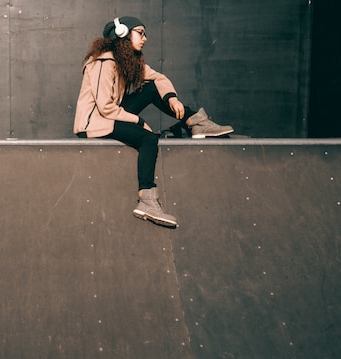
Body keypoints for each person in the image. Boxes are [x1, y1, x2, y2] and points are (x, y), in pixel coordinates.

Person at [73, 16, 234, 227]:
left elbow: (159, 78)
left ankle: (194, 121)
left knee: (150, 88)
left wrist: (171, 98)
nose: (145, 38)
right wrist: (139, 122)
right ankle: (146, 200)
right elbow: (105, 107)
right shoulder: (104, 62)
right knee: (148, 139)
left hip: (110, 117)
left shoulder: (126, 61)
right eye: (140, 32)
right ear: (123, 34)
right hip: (94, 123)